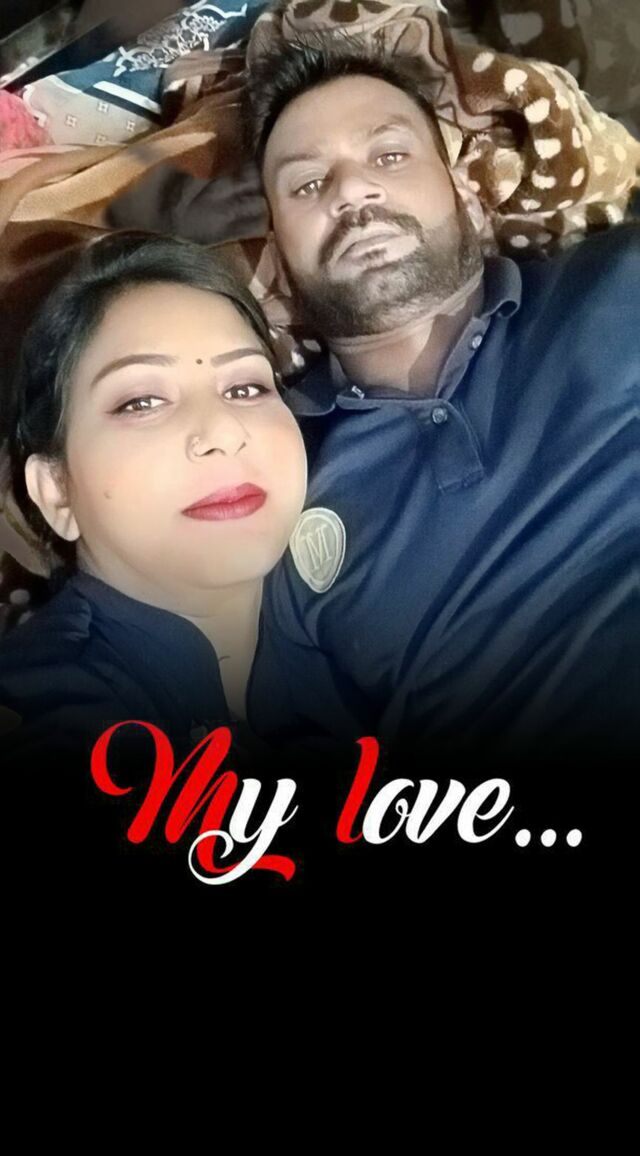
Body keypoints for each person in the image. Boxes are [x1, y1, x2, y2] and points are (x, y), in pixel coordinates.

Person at [241, 37, 638, 773]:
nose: (352, 191)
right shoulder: (268, 481)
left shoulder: (622, 281)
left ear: (462, 188)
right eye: (307, 183)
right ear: (277, 246)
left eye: (389, 156)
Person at [0, 231, 308, 896]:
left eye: (247, 387)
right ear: (57, 492)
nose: (223, 431)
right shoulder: (43, 709)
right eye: (141, 401)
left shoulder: (371, 623)